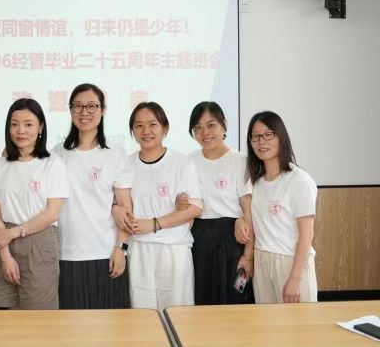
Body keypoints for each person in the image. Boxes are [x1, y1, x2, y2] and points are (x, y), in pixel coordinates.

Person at [54, 83, 133, 309]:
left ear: (102, 110)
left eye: (91, 106)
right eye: (77, 106)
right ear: (70, 110)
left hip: (107, 254)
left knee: (110, 326)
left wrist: (121, 248)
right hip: (67, 253)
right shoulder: (57, 154)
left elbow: (125, 206)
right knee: (71, 326)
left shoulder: (116, 153)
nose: (84, 112)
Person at [0, 98, 69, 309]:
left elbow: (52, 213)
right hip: (3, 243)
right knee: (2, 313)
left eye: (28, 124)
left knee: (38, 318)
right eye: (14, 124)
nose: (20, 130)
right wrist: (5, 254)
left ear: (40, 127)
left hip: (39, 241)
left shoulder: (53, 163)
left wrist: (13, 233)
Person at [177, 101, 255, 305]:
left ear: (224, 125)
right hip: (199, 240)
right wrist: (180, 203)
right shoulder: (189, 161)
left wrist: (248, 256)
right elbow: (185, 206)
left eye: (211, 125)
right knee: (202, 299)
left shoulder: (240, 161)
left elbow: (249, 212)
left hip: (233, 240)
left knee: (235, 299)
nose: (205, 132)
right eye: (198, 127)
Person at [127, 101, 202, 311]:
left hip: (174, 249)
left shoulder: (182, 163)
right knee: (143, 314)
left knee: (177, 314)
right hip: (139, 249)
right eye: (139, 126)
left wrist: (154, 224)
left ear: (165, 128)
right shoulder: (126, 164)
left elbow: (195, 208)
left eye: (153, 124)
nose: (146, 131)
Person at [245, 111, 318, 303]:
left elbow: (307, 235)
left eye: (268, 135)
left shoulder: (299, 180)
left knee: (299, 322)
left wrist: (295, 279)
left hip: (291, 263)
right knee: (266, 322)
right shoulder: (256, 182)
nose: (261, 142)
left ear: (281, 137)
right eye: (255, 136)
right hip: (262, 261)